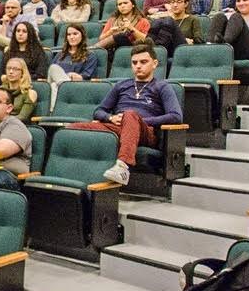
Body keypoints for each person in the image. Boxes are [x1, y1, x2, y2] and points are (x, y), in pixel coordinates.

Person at [70, 43, 183, 186]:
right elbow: (98, 111)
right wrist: (110, 117)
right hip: (120, 127)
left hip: (146, 132)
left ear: (154, 64)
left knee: (130, 114)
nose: (138, 66)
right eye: (134, 63)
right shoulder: (121, 85)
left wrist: (140, 120)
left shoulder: (162, 87)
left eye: (143, 62)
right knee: (74, 127)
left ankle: (122, 167)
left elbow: (176, 116)